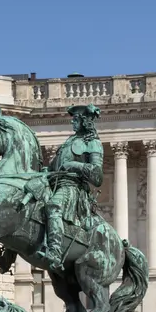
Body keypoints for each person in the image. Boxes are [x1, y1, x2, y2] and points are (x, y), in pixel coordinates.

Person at [38, 104, 104, 273]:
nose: (73, 123)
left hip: (72, 188)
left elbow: (97, 176)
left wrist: (74, 165)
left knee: (53, 206)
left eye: (76, 120)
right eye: (72, 119)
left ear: (84, 122)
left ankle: (54, 251)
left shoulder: (93, 143)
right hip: (54, 184)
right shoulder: (68, 143)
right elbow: (55, 167)